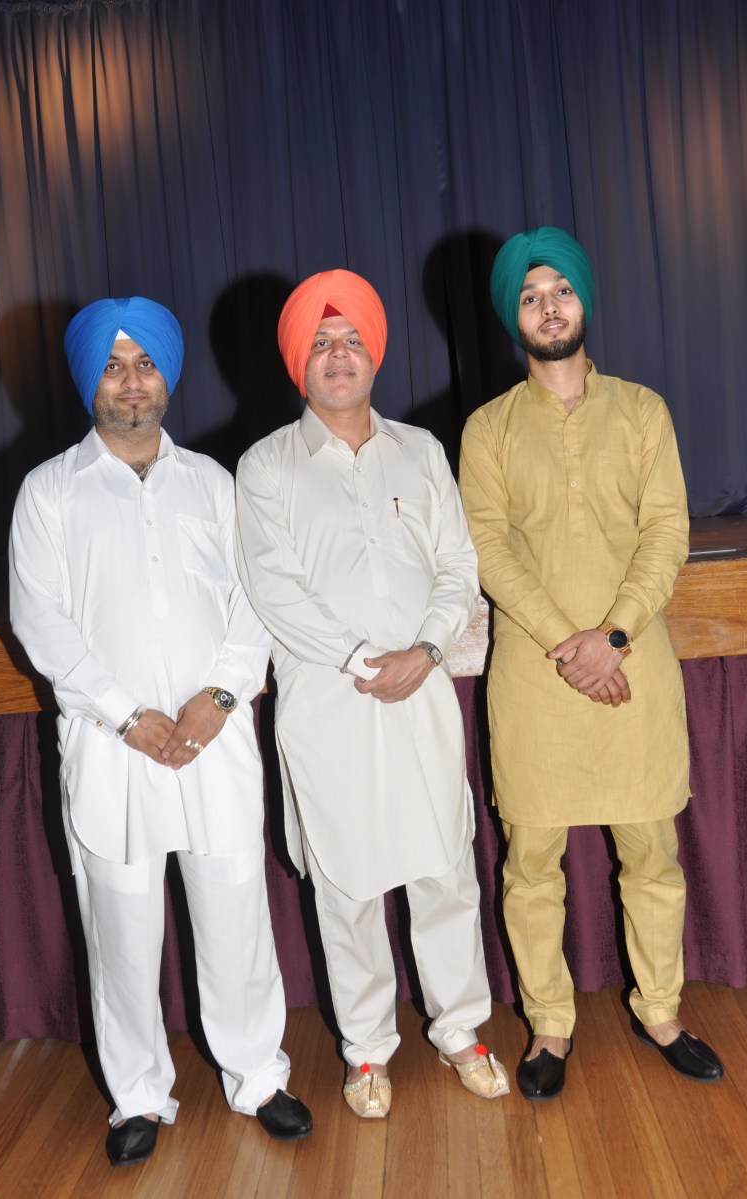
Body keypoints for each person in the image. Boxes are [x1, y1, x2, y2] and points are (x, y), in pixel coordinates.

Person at [9, 297, 312, 1166]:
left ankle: (257, 1075)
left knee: (235, 913)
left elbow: (254, 602)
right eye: (113, 366)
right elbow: (41, 621)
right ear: (88, 381)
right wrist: (124, 713)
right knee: (120, 926)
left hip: (213, 739)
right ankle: (138, 1094)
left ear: (168, 376)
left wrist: (217, 698)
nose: (131, 381)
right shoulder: (48, 493)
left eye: (145, 363)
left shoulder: (214, 483)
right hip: (113, 750)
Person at [234, 269, 509, 1118]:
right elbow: (273, 589)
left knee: (443, 869)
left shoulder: (421, 450)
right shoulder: (265, 465)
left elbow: (457, 564)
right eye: (320, 342)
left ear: (374, 352)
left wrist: (424, 650)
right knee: (345, 886)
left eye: (351, 338)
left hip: (420, 688)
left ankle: (461, 1030)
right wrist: (361, 659)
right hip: (328, 704)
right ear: (297, 361)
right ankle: (365, 1052)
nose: (337, 354)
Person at [459, 227, 724, 1100]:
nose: (548, 307)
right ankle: (548, 1023)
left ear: (583, 301)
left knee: (650, 853)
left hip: (631, 668)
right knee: (530, 862)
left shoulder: (643, 411)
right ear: (513, 317)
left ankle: (661, 1011)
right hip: (535, 679)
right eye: (529, 295)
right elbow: (488, 549)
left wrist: (610, 637)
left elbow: (667, 531)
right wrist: (565, 642)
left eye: (560, 290)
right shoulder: (488, 428)